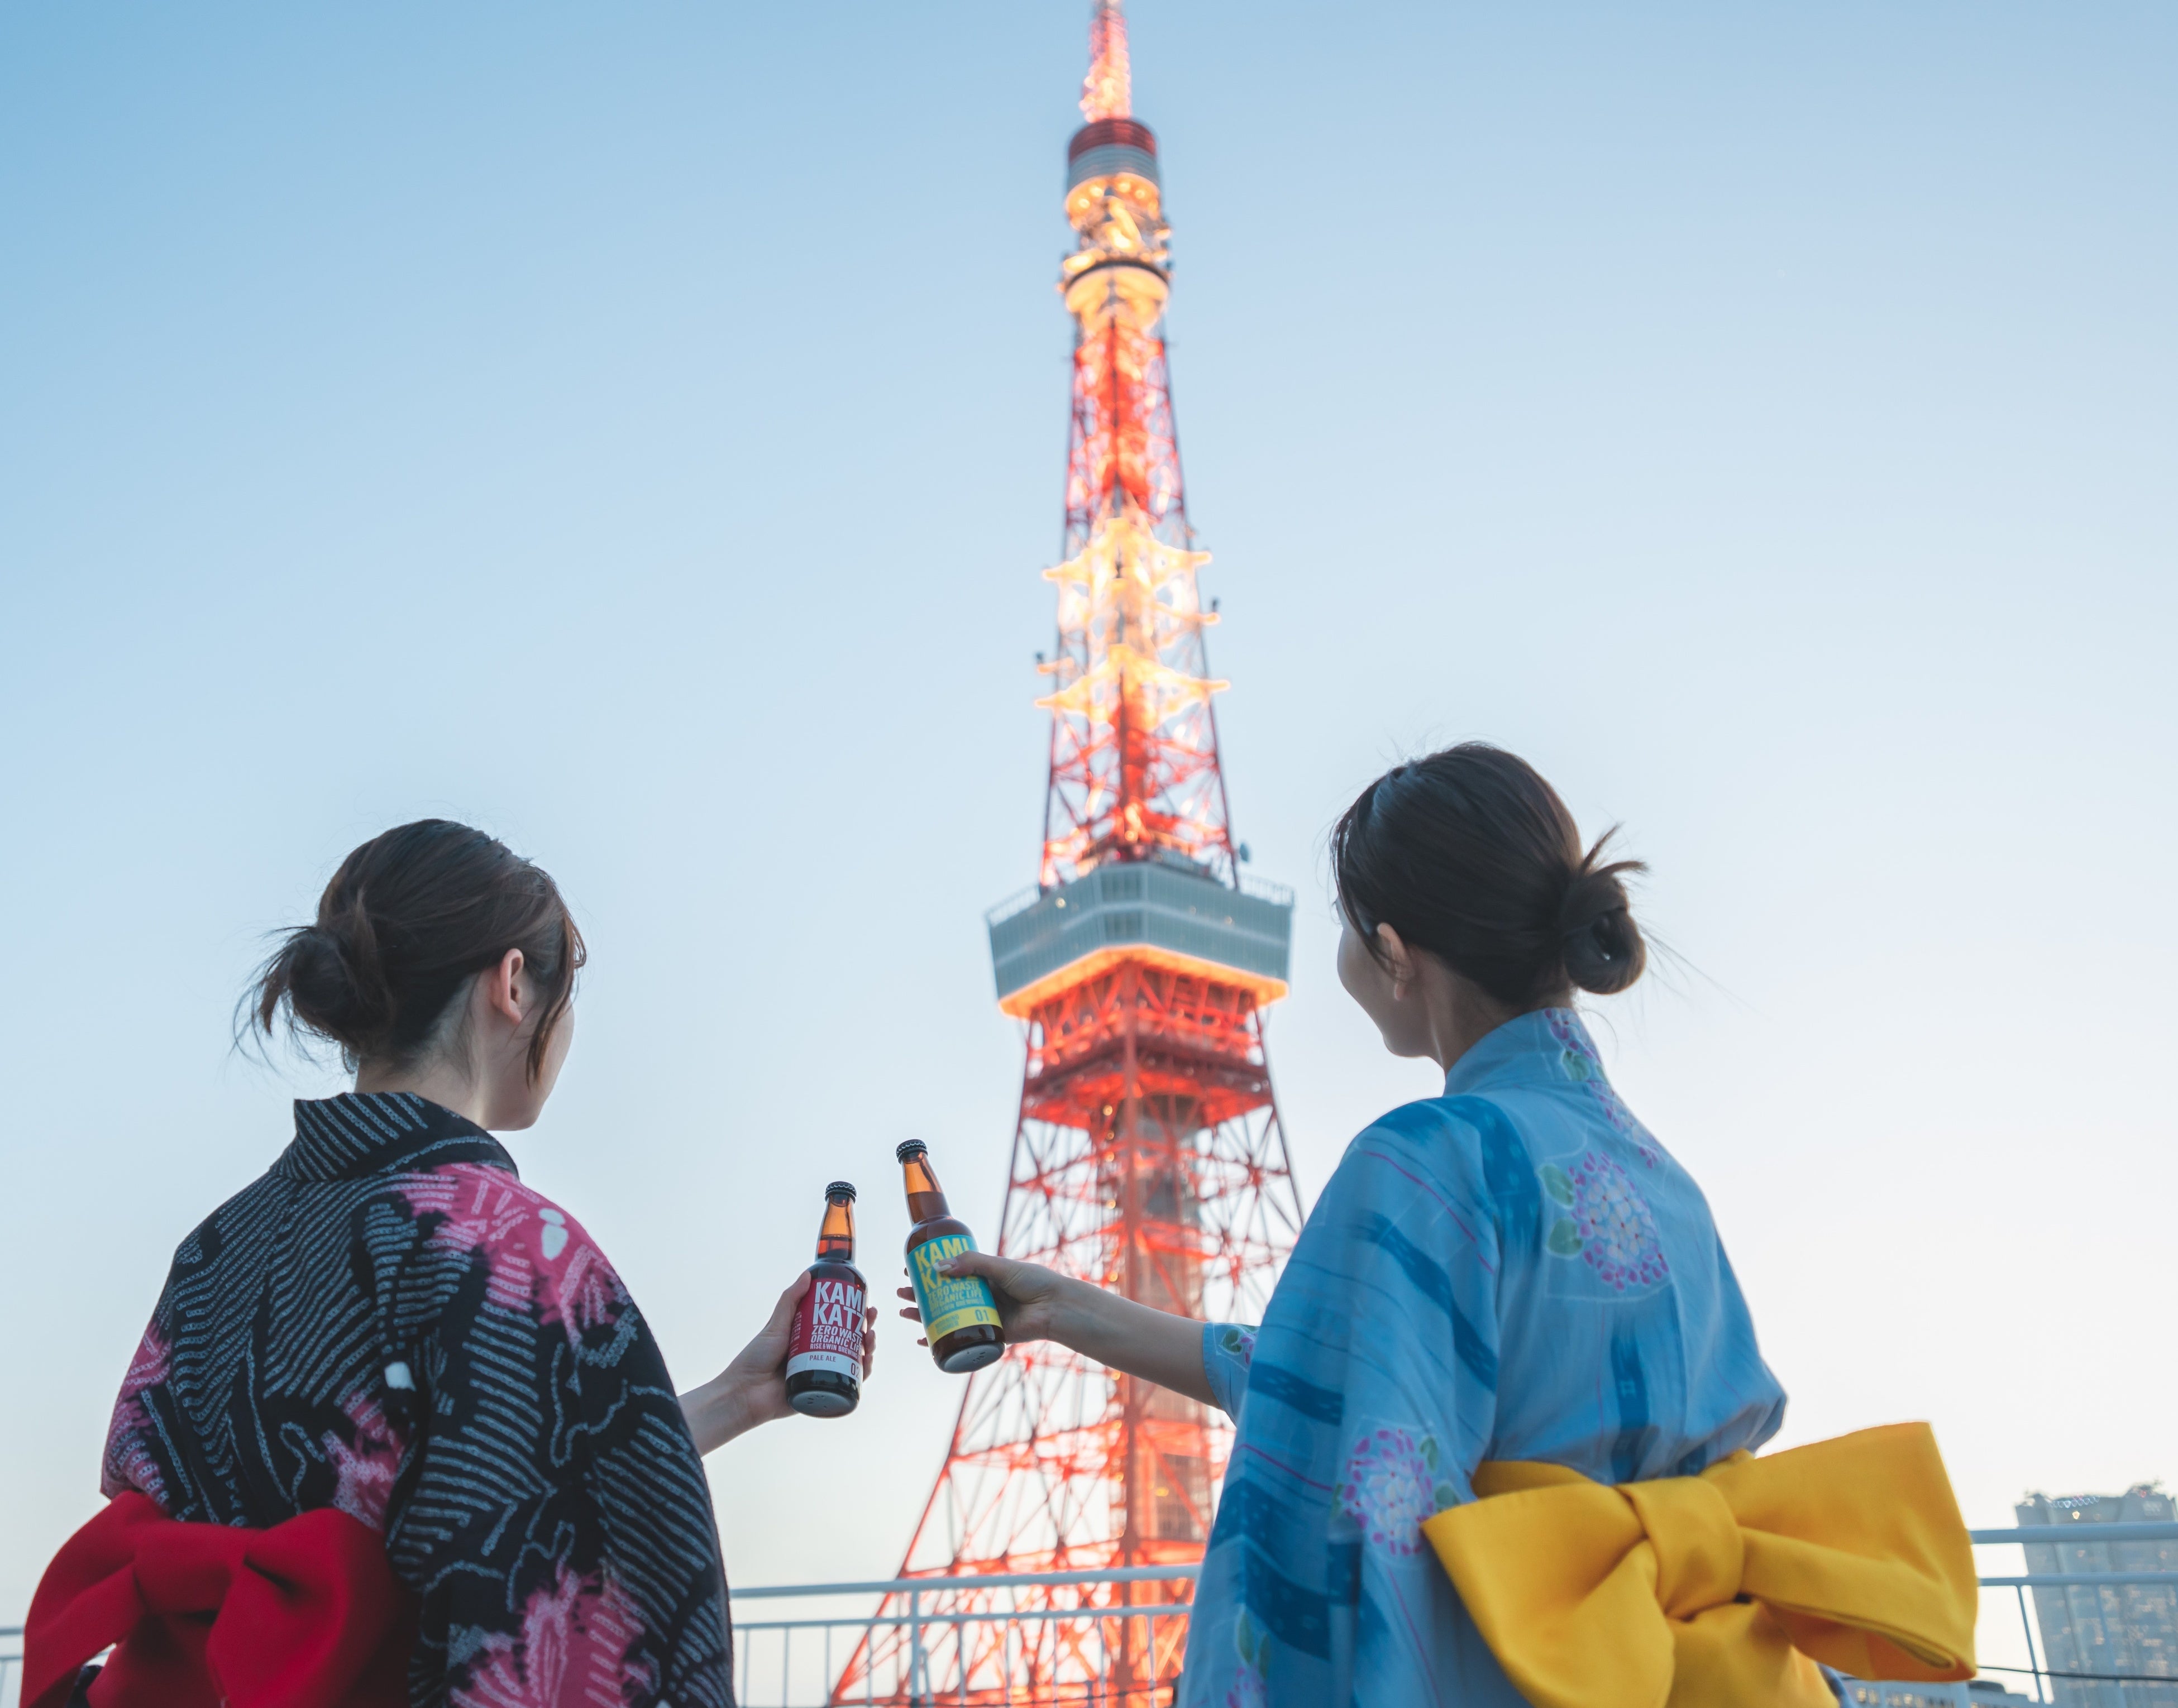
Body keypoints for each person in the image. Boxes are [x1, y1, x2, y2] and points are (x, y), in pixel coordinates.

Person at [910, 744, 1793, 1706]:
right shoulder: (1664, 1184)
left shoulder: (1426, 1160)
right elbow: (1336, 1379)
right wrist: (1070, 1309)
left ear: (1394, 954)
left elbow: (1360, 1447)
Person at [61, 819, 875, 1707]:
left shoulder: (217, 1246)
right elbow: (524, 1565)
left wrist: (737, 1396)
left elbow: (471, 1482)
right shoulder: (508, 1248)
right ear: (514, 985)